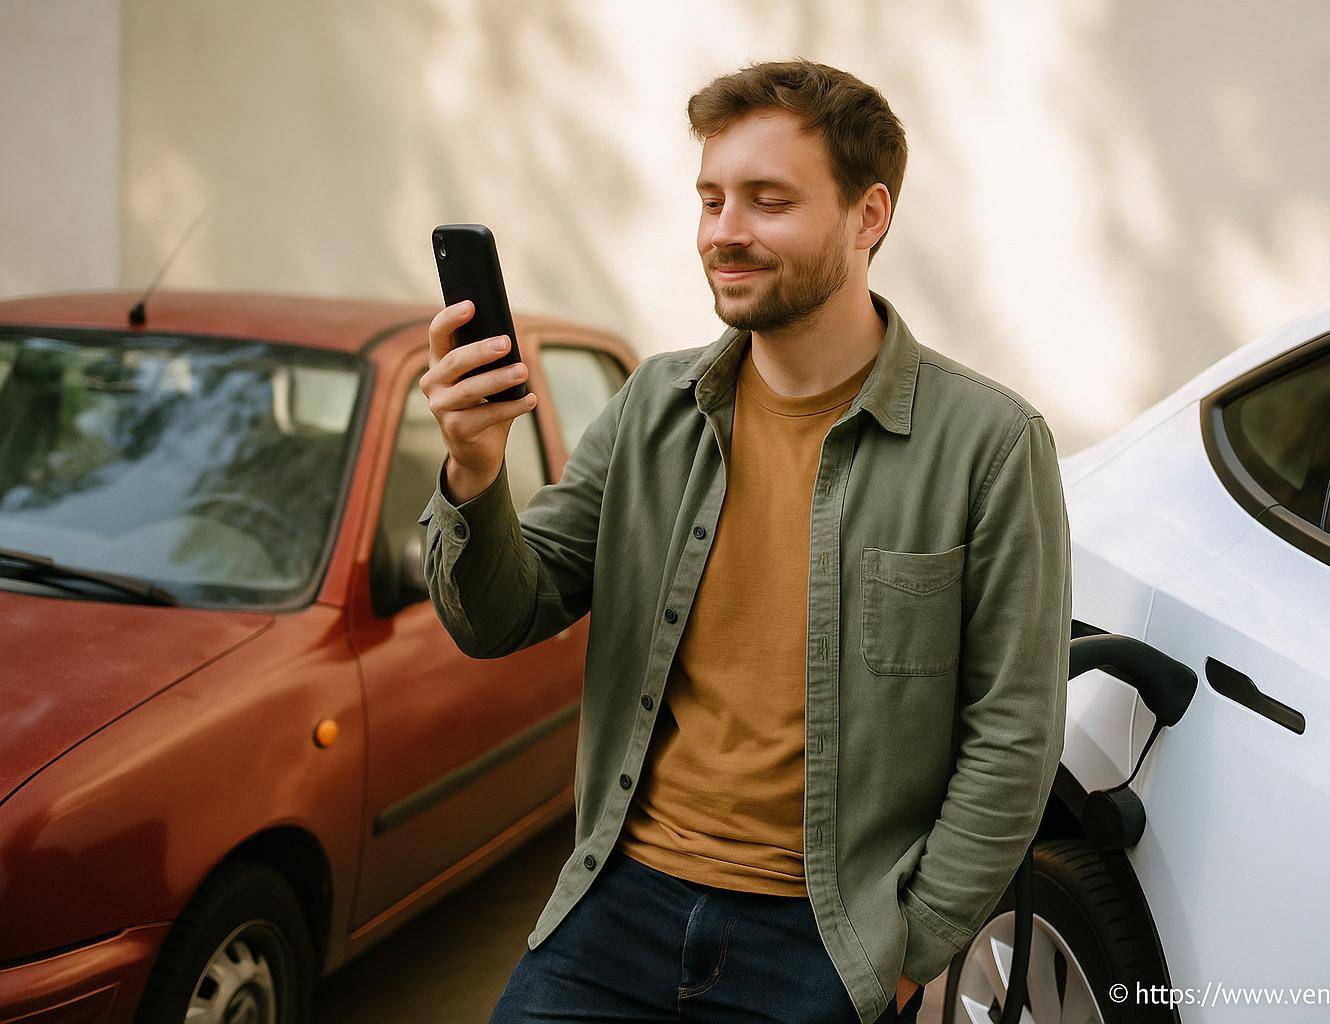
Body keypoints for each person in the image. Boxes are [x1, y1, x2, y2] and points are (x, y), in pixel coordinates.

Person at [416, 57, 1071, 1024]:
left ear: (869, 217)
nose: (726, 231)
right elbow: (504, 614)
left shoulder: (990, 445)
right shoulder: (653, 407)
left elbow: (1013, 733)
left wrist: (909, 950)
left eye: (768, 201)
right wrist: (474, 471)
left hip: (823, 937)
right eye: (712, 199)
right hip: (617, 902)